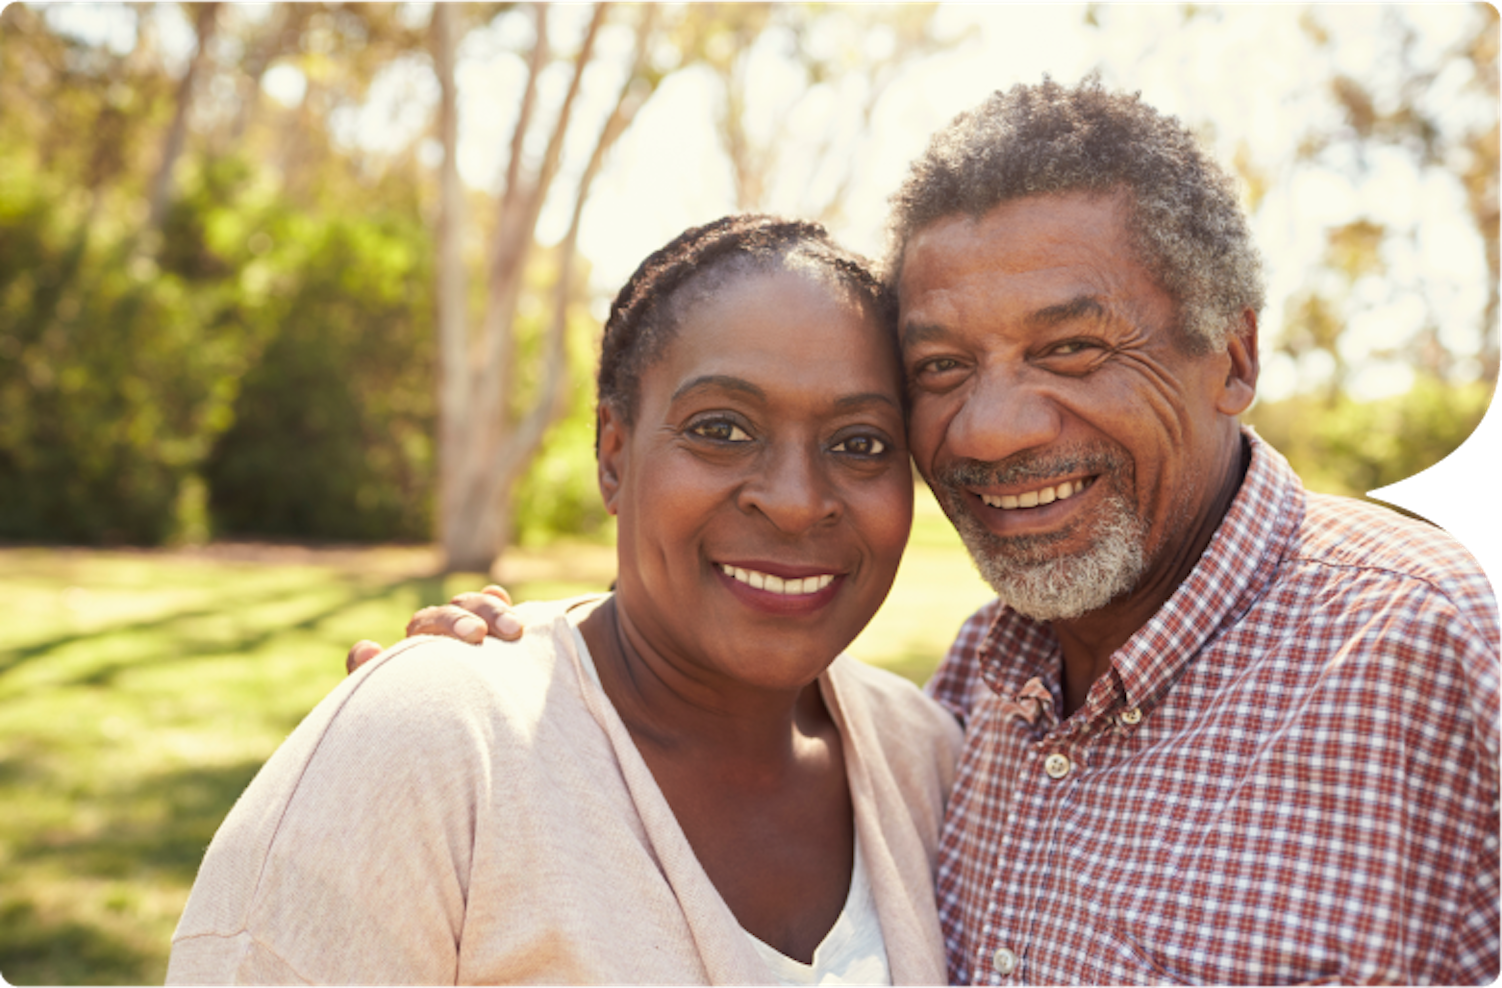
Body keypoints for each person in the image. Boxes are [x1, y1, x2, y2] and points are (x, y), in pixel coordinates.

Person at [389, 79, 1501, 986]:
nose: (993, 430)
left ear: (1236, 358)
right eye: (939, 369)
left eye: (1069, 349)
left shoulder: (1435, 649)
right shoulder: (964, 701)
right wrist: (517, 670)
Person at [167, 216, 964, 986]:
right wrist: (403, 716)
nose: (795, 501)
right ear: (614, 455)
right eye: (722, 429)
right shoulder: (440, 750)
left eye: (859, 443)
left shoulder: (927, 760)